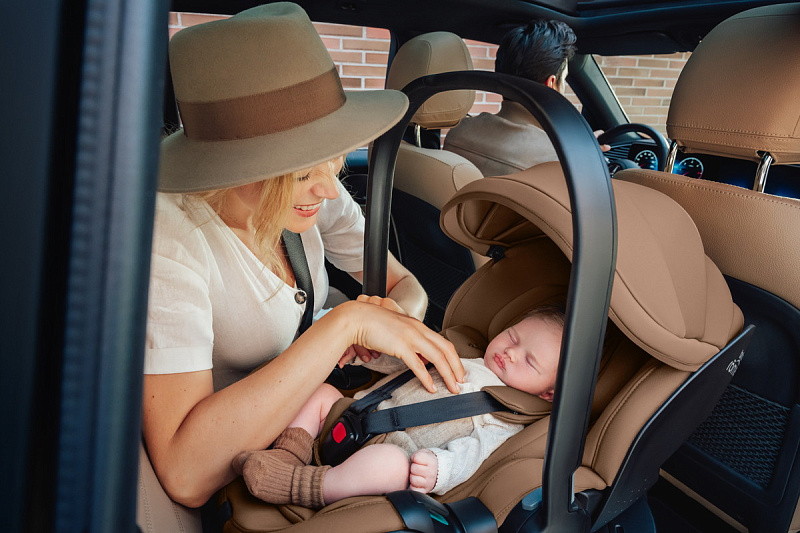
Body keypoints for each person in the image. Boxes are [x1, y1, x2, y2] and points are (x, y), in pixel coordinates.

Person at [143, 2, 466, 511]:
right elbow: (185, 473)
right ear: (233, 165)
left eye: (333, 159)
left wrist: (392, 321)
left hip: (311, 422)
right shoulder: (172, 237)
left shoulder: (313, 197)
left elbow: (404, 285)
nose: (330, 188)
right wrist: (345, 324)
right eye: (302, 172)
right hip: (241, 470)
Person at [233, 303, 565, 508]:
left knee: (391, 465)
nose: (511, 352)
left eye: (529, 361)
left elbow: (476, 454)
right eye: (512, 337)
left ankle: (299, 486)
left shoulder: (505, 416)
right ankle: (286, 456)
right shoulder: (460, 352)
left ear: (547, 393)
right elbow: (405, 363)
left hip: (392, 453)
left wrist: (441, 469)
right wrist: (370, 354)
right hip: (354, 416)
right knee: (322, 393)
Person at [444, 20, 608, 176]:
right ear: (551, 83)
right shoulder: (562, 160)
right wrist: (585, 155)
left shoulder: (459, 132)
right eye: (563, 79)